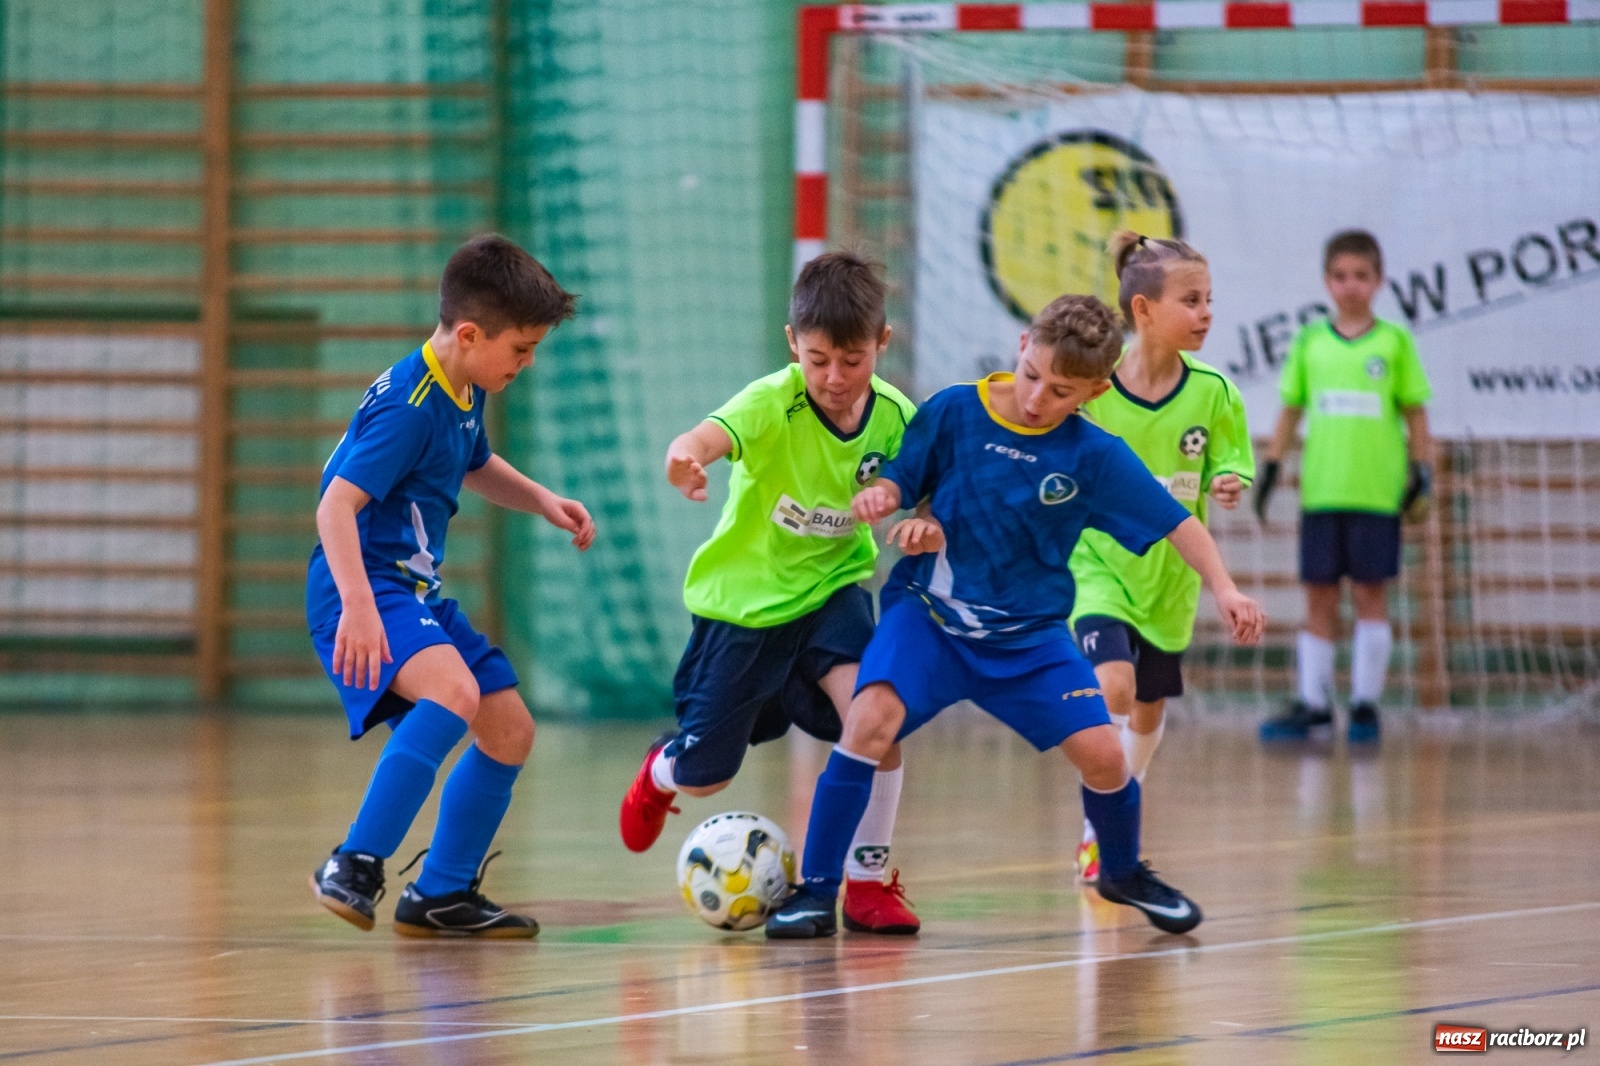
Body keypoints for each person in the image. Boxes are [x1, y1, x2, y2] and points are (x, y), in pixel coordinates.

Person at [766, 294, 1265, 940]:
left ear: (1091, 392)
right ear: (1023, 344)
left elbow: (1178, 522)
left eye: (1061, 392)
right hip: (932, 619)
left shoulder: (1095, 455)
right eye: (1033, 375)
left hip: (1028, 639)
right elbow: (901, 480)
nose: (1037, 399)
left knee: (1106, 757)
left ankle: (1120, 870)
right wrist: (890, 504)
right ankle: (818, 890)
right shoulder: (954, 410)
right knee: (868, 722)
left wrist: (1224, 588)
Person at [618, 252, 934, 935]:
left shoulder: (899, 418)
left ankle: (868, 881)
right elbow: (703, 436)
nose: (834, 378)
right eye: (818, 359)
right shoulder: (771, 402)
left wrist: (924, 522)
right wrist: (686, 459)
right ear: (793, 344)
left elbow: (932, 494)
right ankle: (661, 769)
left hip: (833, 590)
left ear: (882, 342)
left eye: (852, 360)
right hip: (747, 607)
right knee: (707, 775)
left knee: (878, 721)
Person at [307, 235, 595, 937]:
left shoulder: (461, 382)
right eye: (521, 350)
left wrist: (543, 500)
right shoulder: (411, 405)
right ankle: (354, 862)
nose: (526, 365)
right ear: (469, 333)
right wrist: (359, 607)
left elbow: (474, 463)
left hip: (412, 590)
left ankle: (441, 892)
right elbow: (335, 507)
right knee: (454, 694)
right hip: (366, 585)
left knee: (509, 731)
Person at [1069, 231, 1255, 884]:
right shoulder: (1097, 393)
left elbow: (1229, 460)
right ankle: (1101, 823)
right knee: (1113, 684)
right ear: (1143, 310)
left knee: (1148, 706)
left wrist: (1229, 482)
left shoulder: (1213, 393)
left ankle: (1122, 793)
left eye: (1210, 300)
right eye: (1191, 300)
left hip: (1173, 580)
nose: (1206, 313)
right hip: (1101, 566)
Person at [1255, 230, 1433, 744]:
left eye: (1361, 276)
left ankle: (1364, 705)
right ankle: (1313, 705)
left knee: (1372, 597)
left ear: (1379, 281)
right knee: (1319, 600)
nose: (1351, 286)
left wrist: (1421, 471)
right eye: (1341, 276)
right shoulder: (1311, 341)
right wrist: (1270, 466)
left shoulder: (1394, 342)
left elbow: (1416, 412)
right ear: (1326, 282)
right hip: (1322, 492)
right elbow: (1290, 409)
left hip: (1376, 492)